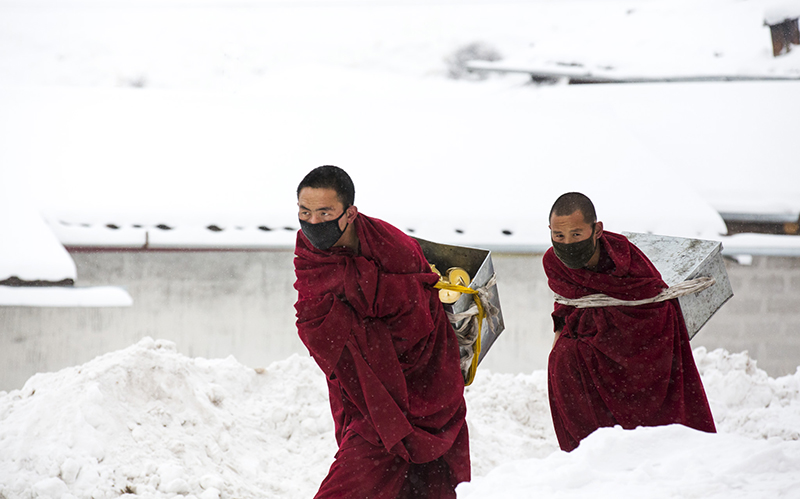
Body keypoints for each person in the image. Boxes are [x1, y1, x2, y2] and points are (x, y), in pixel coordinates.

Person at [293, 165, 470, 498]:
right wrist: (359, 336)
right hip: (360, 388)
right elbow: (313, 318)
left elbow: (419, 321)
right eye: (305, 212)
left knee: (351, 484)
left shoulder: (394, 248)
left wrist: (361, 333)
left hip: (410, 389)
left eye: (324, 212)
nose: (312, 223)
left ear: (349, 213)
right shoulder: (309, 250)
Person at [543, 192, 716, 452]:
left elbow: (653, 302)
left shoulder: (623, 258)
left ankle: (641, 447)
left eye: (576, 235)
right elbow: (567, 305)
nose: (567, 243)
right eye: (559, 236)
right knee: (563, 360)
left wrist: (605, 330)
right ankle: (587, 451)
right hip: (589, 339)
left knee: (579, 356)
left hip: (636, 339)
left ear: (597, 230)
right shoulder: (553, 261)